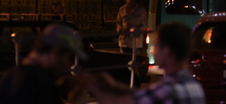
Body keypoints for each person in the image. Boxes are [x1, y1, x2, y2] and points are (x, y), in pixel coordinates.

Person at [76, 22, 205, 104]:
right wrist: (113, 85)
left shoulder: (168, 89)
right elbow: (143, 96)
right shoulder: (193, 85)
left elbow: (119, 102)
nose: (153, 52)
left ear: (166, 51)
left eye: (156, 46)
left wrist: (92, 84)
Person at [0, 22, 88, 104]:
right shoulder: (41, 83)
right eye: (69, 58)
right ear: (56, 51)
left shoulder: (9, 75)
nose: (68, 65)